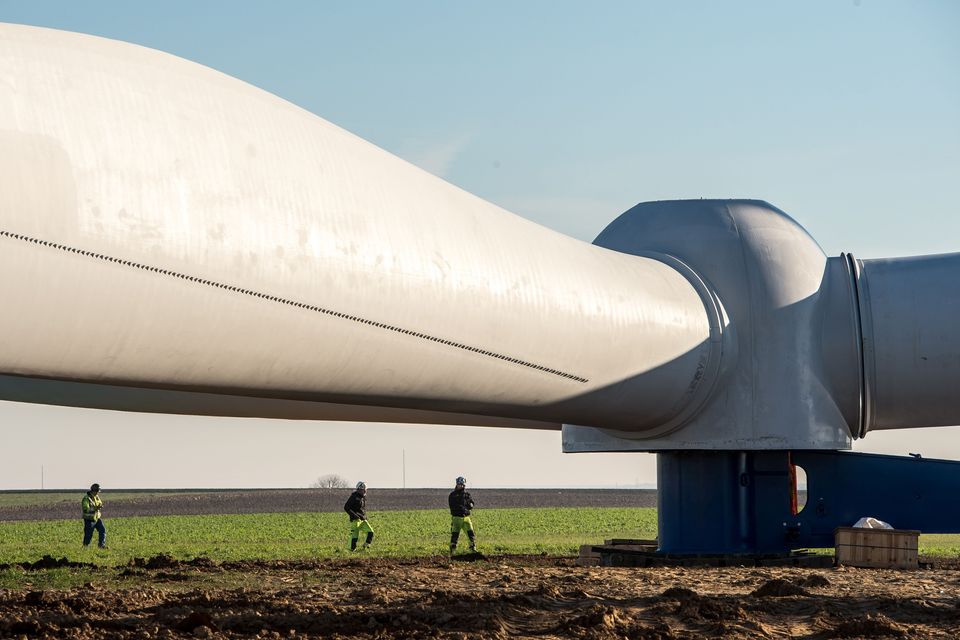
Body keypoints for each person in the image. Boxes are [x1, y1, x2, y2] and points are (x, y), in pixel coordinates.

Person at [448, 476, 476, 555]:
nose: (461, 486)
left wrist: (471, 505)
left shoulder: (467, 494)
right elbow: (453, 506)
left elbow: (471, 503)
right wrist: (463, 508)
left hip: (466, 518)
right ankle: (453, 551)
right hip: (457, 518)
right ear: (457, 484)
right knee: (455, 535)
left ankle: (473, 549)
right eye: (460, 484)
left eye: (463, 484)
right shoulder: (452, 495)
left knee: (471, 534)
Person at [343, 481, 374, 551]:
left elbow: (362, 509)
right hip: (355, 520)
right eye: (365, 489)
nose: (366, 491)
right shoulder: (354, 497)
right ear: (361, 489)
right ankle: (351, 549)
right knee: (354, 536)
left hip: (363, 519)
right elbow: (346, 507)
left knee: (370, 532)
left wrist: (365, 516)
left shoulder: (363, 497)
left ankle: (365, 547)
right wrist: (354, 515)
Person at [81, 483, 107, 549]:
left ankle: (101, 545)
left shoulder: (96, 497)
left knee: (102, 530)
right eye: (97, 491)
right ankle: (85, 547)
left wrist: (100, 506)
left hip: (97, 518)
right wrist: (95, 508)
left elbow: (100, 503)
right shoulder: (86, 498)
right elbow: (85, 508)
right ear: (94, 491)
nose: (98, 493)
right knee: (88, 534)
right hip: (89, 519)